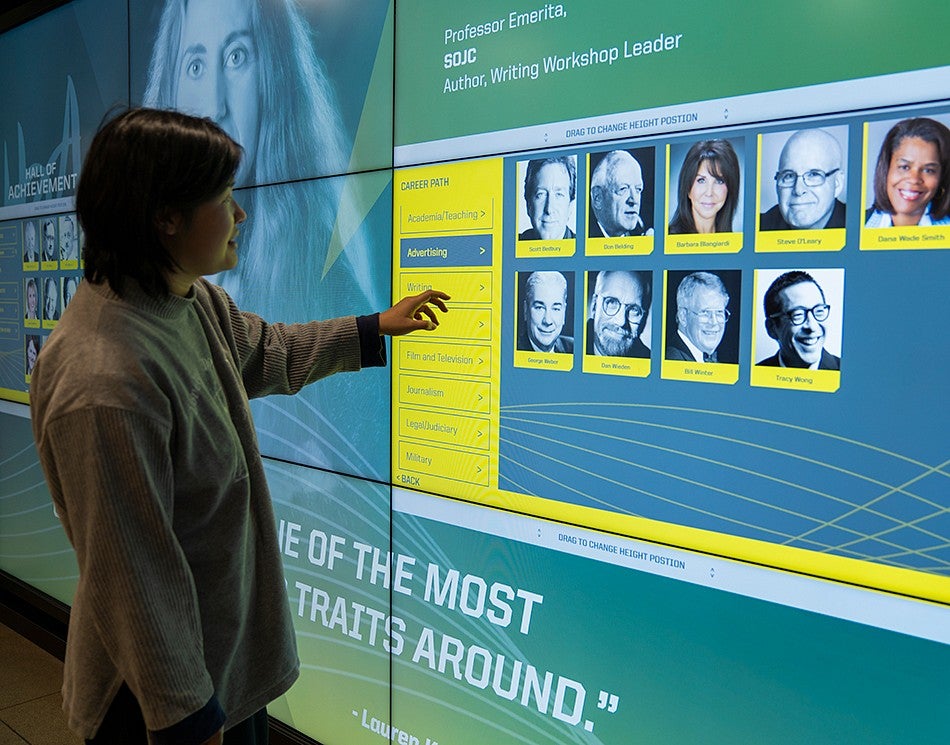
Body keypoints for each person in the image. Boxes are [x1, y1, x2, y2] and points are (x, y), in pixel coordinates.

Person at [29, 108, 448, 745]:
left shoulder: (184, 300)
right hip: (156, 702)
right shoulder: (102, 381)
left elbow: (260, 350)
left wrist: (373, 329)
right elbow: (133, 572)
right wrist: (188, 717)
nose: (241, 214)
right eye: (226, 199)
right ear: (166, 218)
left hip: (215, 666)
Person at [143, 0, 393, 476]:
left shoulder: (201, 302)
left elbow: (275, 352)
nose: (214, 102)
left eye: (236, 57)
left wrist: (373, 327)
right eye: (194, 64)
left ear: (274, 75)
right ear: (168, 216)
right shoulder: (100, 361)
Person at [865, 117, 950, 227]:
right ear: (886, 170)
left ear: (942, 178)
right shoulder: (851, 226)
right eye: (904, 167)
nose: (914, 179)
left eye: (928, 170)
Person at [760, 128, 846, 230]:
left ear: (837, 183)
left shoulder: (861, 227)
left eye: (813, 175)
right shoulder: (758, 226)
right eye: (789, 176)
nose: (798, 190)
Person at [757, 270, 839, 369]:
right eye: (798, 314)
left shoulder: (848, 371)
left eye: (819, 311)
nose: (812, 327)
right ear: (772, 328)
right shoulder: (755, 373)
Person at [668, 140, 740, 234]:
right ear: (687, 187)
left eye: (719, 181)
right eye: (701, 180)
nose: (709, 193)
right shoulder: (666, 239)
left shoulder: (733, 243)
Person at [666, 272, 731, 363]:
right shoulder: (671, 360)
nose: (714, 322)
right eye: (705, 312)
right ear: (683, 316)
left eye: (719, 312)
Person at [586, 270, 651, 358]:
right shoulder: (569, 347)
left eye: (633, 310)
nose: (621, 322)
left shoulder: (650, 359)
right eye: (611, 302)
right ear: (594, 306)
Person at [589, 150, 653, 237]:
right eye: (623, 189)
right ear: (598, 198)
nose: (634, 201)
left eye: (638, 189)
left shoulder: (641, 235)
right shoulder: (583, 235)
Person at [519, 156, 576, 240]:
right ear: (528, 205)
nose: (549, 209)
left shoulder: (587, 247)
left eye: (559, 195)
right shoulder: (509, 245)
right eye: (541, 194)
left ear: (570, 206)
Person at [517, 271, 573, 353]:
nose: (547, 321)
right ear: (526, 310)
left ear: (563, 312)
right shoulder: (510, 350)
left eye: (556, 309)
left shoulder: (573, 347)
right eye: (539, 308)